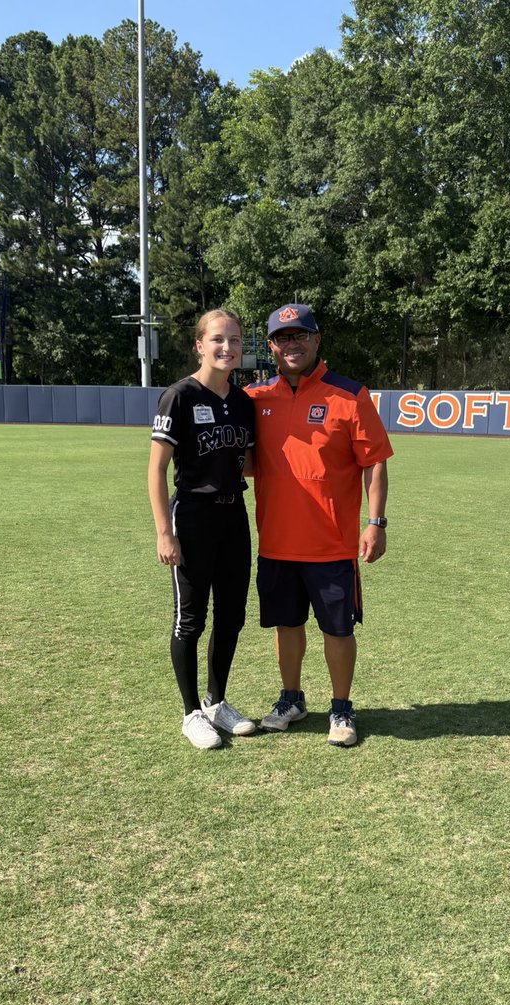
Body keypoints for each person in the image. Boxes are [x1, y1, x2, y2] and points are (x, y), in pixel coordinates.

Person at [246, 303, 393, 747]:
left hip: (332, 543)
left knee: (338, 630)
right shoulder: (255, 398)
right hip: (275, 541)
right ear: (271, 346)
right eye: (282, 338)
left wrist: (376, 522)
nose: (292, 344)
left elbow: (375, 463)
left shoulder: (350, 395)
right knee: (286, 626)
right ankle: (291, 699)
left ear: (317, 339)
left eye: (300, 335)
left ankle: (341, 708)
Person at [148, 310, 256, 750]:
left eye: (234, 339)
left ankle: (216, 702)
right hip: (192, 515)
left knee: (232, 615)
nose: (226, 347)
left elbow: (249, 462)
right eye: (217, 339)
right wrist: (163, 532)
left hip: (234, 516)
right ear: (199, 345)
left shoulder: (244, 401)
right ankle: (191, 712)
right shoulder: (179, 395)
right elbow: (155, 470)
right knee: (190, 619)